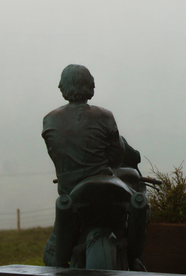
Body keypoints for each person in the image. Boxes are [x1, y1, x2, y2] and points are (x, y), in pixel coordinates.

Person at [42, 64, 145, 270]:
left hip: (71, 193)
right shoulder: (105, 116)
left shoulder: (49, 120)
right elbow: (116, 158)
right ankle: (134, 251)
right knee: (140, 201)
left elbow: (57, 157)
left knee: (52, 257)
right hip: (105, 189)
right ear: (90, 86)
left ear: (63, 87)